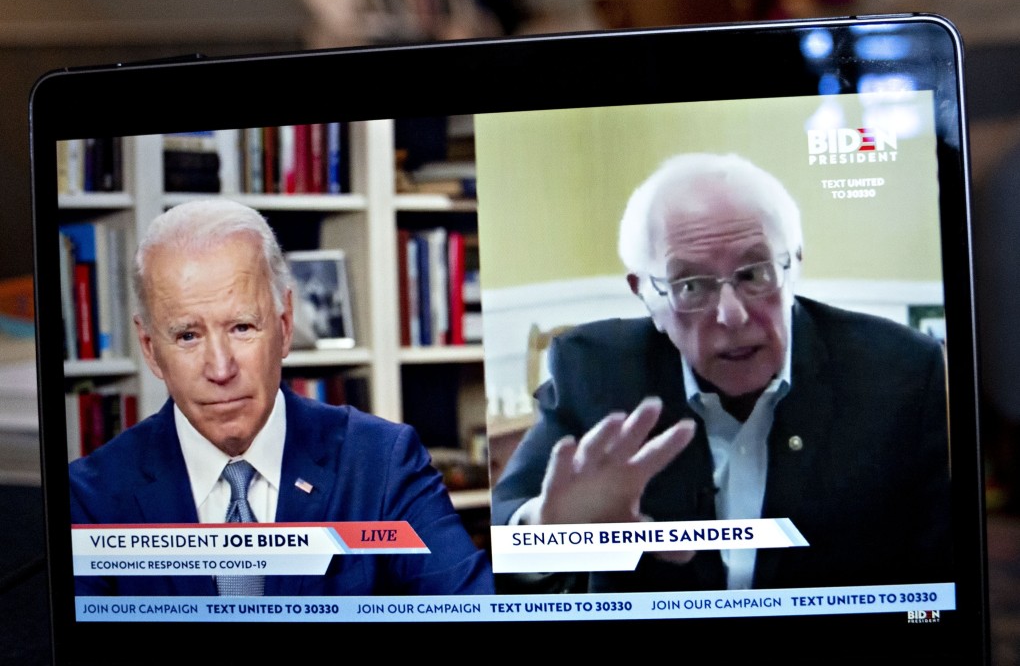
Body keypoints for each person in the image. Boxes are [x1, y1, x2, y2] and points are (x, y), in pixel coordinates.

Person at [490, 152, 951, 593]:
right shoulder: (595, 370)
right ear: (646, 294)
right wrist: (545, 535)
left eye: (754, 274)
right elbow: (507, 529)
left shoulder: (901, 373)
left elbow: (939, 576)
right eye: (690, 285)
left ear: (795, 266)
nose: (732, 316)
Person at [69, 199, 494, 597]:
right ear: (149, 348)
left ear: (286, 325)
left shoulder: (382, 463)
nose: (220, 369)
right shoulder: (92, 497)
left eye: (242, 327)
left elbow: (471, 614)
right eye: (187, 335)